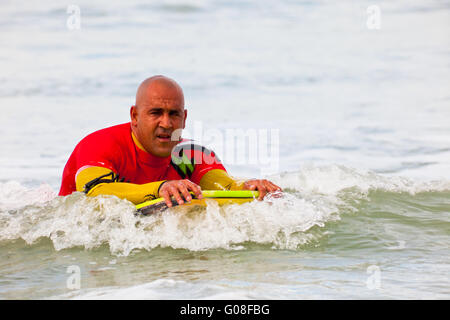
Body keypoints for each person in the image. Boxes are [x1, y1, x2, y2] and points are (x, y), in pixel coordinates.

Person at [59, 75, 282, 208]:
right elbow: (94, 194)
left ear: (184, 118)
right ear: (134, 116)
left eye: (174, 114)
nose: (166, 124)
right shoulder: (100, 144)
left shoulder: (192, 154)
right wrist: (161, 188)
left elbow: (225, 186)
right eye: (155, 113)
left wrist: (249, 188)